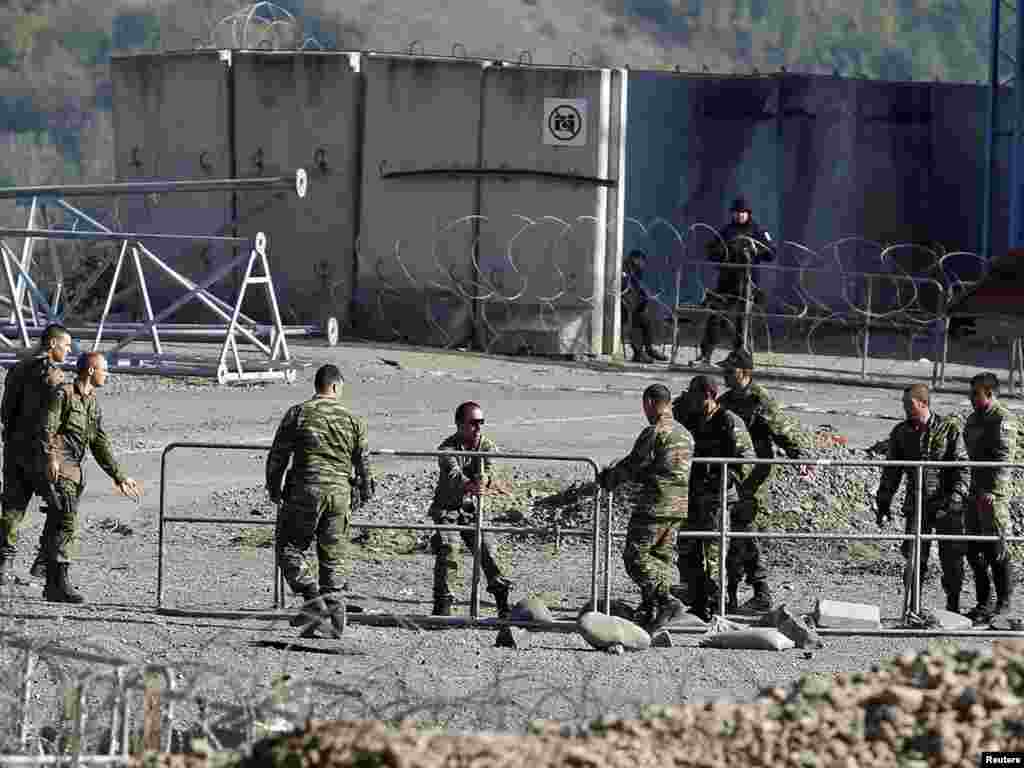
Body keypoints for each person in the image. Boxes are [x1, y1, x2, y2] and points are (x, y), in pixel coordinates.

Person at [266, 364, 374, 637]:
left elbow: (278, 456)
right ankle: (335, 622)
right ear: (336, 387)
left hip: (305, 491)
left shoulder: (299, 413)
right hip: (339, 494)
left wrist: (274, 488)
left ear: (318, 386)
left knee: (289, 549)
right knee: (332, 557)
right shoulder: (353, 419)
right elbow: (364, 464)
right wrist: (364, 492)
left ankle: (313, 601)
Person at [39, 352, 142, 602]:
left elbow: (98, 441)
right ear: (91, 371)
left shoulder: (91, 402)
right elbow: (47, 428)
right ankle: (59, 583)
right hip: (60, 468)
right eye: (104, 370)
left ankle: (51, 582)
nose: (108, 374)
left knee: (58, 522)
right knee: (68, 523)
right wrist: (52, 458)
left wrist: (119, 476)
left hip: (75, 471)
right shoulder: (63, 394)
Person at [717, 350, 810, 611]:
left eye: (729, 371)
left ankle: (760, 590)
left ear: (745, 372)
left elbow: (782, 431)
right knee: (731, 532)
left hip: (753, 477)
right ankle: (731, 593)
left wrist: (800, 458)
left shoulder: (759, 400)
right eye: (723, 370)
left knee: (743, 530)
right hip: (730, 475)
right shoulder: (724, 401)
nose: (724, 375)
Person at [600, 384, 691, 632]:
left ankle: (666, 601)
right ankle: (653, 611)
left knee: (635, 557)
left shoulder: (655, 432)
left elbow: (633, 464)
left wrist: (609, 479)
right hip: (678, 506)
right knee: (660, 559)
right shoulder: (684, 433)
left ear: (650, 403)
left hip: (655, 504)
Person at [874, 384, 969, 614]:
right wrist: (883, 503)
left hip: (948, 506)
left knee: (952, 558)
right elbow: (891, 472)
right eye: (904, 404)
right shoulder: (901, 432)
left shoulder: (949, 428)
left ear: (923, 403)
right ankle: (914, 607)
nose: (905, 408)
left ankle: (953, 606)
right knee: (915, 559)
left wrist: (956, 497)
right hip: (917, 505)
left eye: (909, 404)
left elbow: (963, 467)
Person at [672, 376, 752, 620]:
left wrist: (726, 478)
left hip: (717, 498)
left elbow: (748, 458)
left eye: (695, 395)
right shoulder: (692, 418)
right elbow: (674, 416)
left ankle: (719, 604)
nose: (691, 400)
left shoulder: (728, 421)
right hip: (692, 496)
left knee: (714, 554)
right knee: (688, 550)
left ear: (708, 396)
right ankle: (698, 600)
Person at [0, 323, 72, 585]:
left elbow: (5, 412)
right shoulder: (53, 376)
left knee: (12, 507)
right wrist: (53, 455)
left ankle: (3, 565)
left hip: (13, 449)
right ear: (52, 344)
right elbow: (53, 423)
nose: (69, 350)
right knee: (62, 504)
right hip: (41, 453)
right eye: (66, 345)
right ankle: (45, 563)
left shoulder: (18, 368)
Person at [429, 401, 514, 617]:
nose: (478, 428)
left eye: (481, 423)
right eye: (473, 423)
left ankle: (502, 601)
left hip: (470, 509)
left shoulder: (485, 445)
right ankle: (443, 606)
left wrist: (487, 482)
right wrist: (472, 485)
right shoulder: (446, 449)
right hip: (447, 510)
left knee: (487, 549)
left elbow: (492, 470)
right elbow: (454, 475)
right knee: (449, 550)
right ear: (460, 424)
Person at [962, 372, 1017, 623]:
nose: (972, 398)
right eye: (971, 393)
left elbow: (1005, 459)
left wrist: (993, 492)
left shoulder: (1002, 419)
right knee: (974, 551)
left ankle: (1004, 603)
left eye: (977, 394)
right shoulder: (973, 420)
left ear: (990, 394)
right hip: (974, 492)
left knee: (997, 548)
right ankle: (984, 602)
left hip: (994, 496)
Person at [694, 197, 774, 368]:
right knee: (716, 317)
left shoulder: (758, 230)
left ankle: (740, 357)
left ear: (748, 213)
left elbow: (771, 253)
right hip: (726, 282)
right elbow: (711, 251)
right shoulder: (726, 231)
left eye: (742, 213)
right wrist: (726, 250)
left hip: (747, 282)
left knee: (742, 321)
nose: (739, 216)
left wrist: (755, 249)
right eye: (736, 213)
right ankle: (705, 354)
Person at [621, 250, 668, 364]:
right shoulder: (624, 269)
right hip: (622, 306)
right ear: (635, 259)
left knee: (645, 319)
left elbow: (638, 286)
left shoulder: (635, 271)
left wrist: (646, 296)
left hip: (631, 304)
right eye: (642, 261)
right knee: (636, 320)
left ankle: (649, 348)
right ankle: (638, 352)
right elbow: (626, 286)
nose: (643, 265)